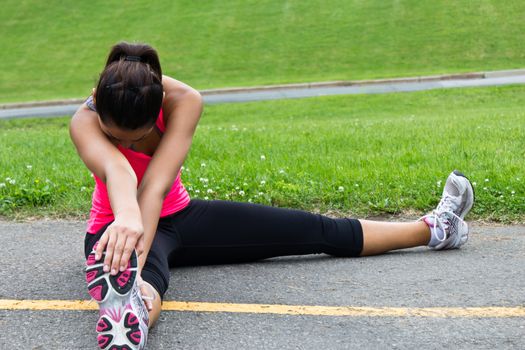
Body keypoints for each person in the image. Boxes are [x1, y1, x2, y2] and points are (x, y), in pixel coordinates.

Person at [70, 42, 474, 350]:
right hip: (114, 230)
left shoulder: (184, 102)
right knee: (149, 278)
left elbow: (156, 186)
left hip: (178, 212)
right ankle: (130, 315)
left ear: (155, 108)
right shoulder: (84, 121)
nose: (124, 144)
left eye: (134, 138)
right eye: (114, 136)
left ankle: (436, 228)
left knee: (316, 230)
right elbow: (119, 172)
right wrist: (131, 241)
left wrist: (136, 233)